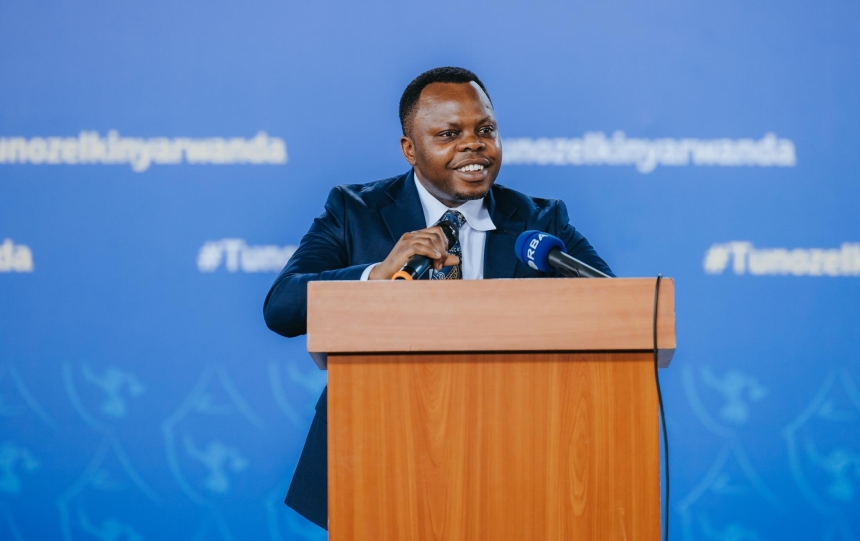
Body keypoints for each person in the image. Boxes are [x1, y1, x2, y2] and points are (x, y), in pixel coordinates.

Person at [263, 66, 613, 529]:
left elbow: (613, 308)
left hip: (513, 456)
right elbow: (282, 307)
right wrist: (376, 275)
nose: (473, 145)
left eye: (485, 130)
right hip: (378, 455)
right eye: (449, 133)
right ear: (410, 149)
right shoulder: (354, 211)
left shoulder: (539, 222)